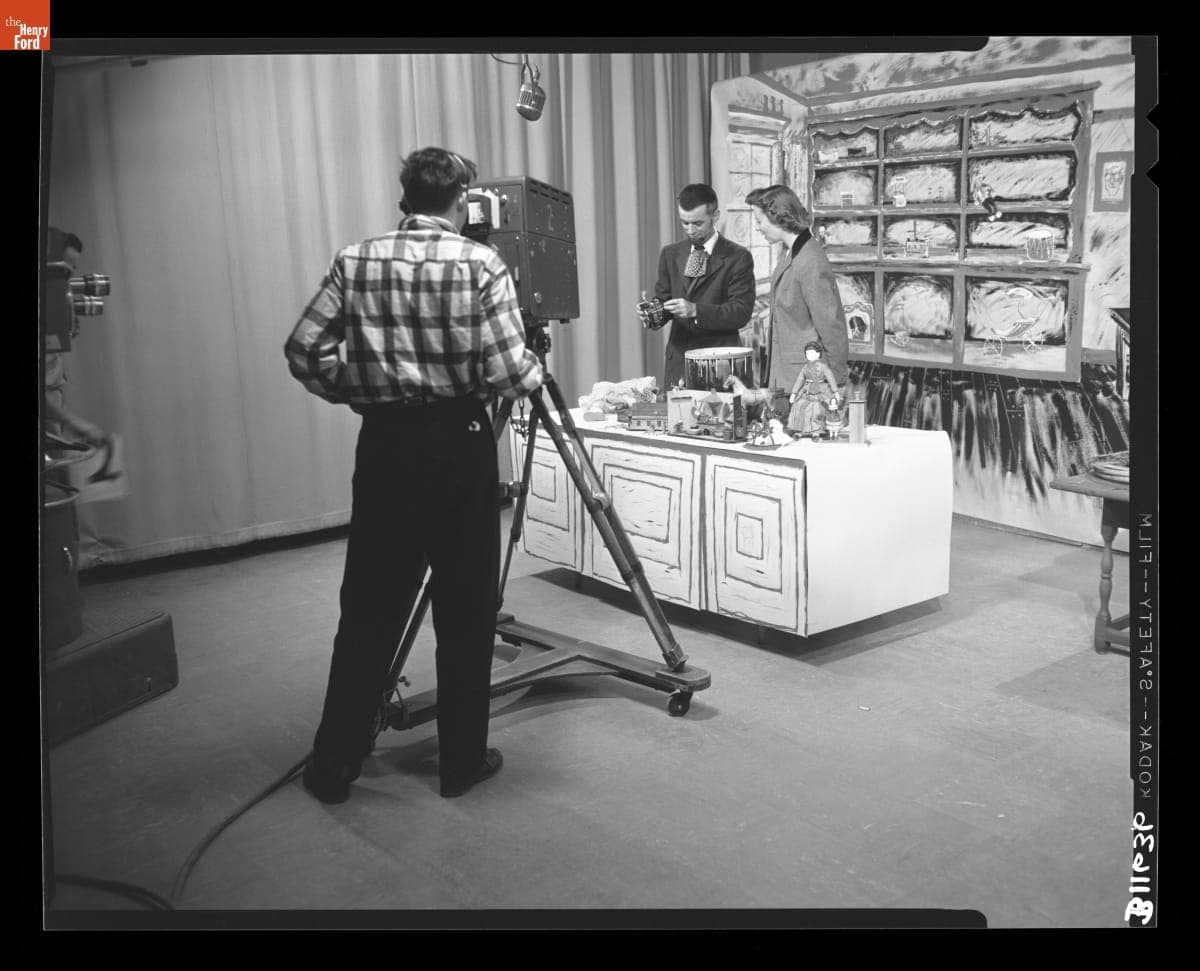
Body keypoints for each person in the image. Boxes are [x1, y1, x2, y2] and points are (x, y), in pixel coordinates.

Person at [284, 146, 543, 804]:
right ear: (461, 200)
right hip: (460, 443)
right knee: (465, 612)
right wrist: (530, 370)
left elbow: (304, 349)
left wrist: (360, 390)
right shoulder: (481, 262)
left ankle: (333, 766)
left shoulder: (355, 258)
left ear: (406, 200)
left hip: (386, 445)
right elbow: (510, 372)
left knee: (368, 608)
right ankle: (460, 765)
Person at [745, 185, 849, 400]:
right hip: (788, 377)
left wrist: (837, 381)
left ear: (777, 218)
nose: (757, 228)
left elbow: (831, 326)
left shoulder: (810, 260)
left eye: (759, 221)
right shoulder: (793, 252)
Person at [649, 183, 755, 391]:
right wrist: (652, 312)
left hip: (720, 365)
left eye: (697, 223)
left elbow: (741, 312)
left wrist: (696, 310)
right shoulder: (670, 254)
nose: (690, 231)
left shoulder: (738, 257)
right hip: (679, 363)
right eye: (684, 223)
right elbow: (664, 301)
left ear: (715, 216)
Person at [787, 341, 840, 438]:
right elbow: (799, 380)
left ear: (818, 354)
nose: (809, 355)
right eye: (807, 353)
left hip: (821, 392)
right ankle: (799, 430)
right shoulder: (805, 368)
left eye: (811, 352)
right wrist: (794, 393)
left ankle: (816, 431)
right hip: (807, 391)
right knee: (798, 406)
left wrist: (835, 392)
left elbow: (830, 378)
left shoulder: (823, 367)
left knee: (817, 409)